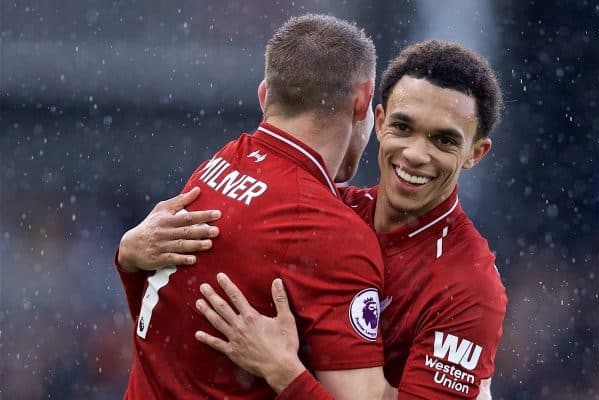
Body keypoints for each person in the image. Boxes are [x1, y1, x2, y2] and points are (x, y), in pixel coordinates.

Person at [120, 40, 507, 399]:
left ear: (476, 152)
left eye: (444, 140)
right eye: (403, 128)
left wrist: (285, 373)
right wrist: (130, 258)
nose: (416, 154)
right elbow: (175, 329)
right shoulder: (325, 215)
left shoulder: (468, 286)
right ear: (378, 119)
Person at [115, 14, 390, 400]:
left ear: (264, 95)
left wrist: (126, 259)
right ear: (362, 100)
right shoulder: (332, 232)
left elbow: (163, 333)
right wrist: (287, 375)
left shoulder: (215, 168)